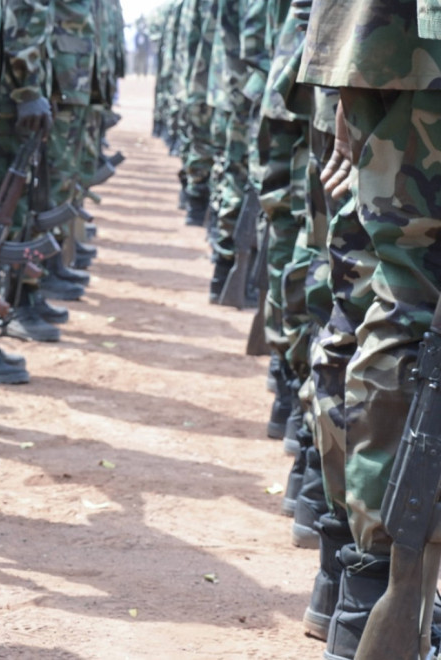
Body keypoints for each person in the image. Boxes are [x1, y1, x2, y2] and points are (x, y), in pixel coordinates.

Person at [298, 0, 441, 657]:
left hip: (385, 38)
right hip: (418, 43)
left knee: (379, 295)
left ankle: (359, 588)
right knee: (412, 308)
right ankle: (385, 585)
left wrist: (347, 76)